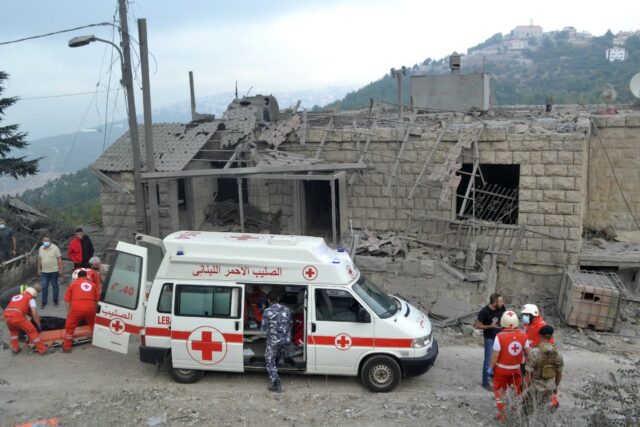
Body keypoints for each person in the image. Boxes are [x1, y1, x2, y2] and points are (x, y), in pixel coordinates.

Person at [490, 310, 529, 421]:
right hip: (516, 370)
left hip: (501, 370)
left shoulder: (499, 336)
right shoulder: (523, 335)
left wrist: (490, 368)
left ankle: (502, 415)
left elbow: (495, 355)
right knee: (516, 391)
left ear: (503, 322)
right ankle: (514, 411)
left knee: (500, 391)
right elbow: (528, 352)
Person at [3, 285, 54, 355]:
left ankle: (15, 349)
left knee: (14, 332)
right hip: (17, 317)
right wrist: (39, 326)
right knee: (32, 331)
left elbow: (24, 310)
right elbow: (34, 313)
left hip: (7, 316)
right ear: (34, 294)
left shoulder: (17, 296)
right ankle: (42, 350)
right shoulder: (30, 299)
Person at [524, 325, 563, 414]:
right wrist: (555, 386)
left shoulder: (534, 352)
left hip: (535, 387)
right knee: (544, 411)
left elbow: (528, 375)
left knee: (529, 411)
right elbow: (559, 373)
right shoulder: (558, 353)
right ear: (552, 336)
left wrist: (524, 390)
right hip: (550, 386)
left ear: (539, 336)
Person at [261, 290, 291, 393]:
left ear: (269, 300)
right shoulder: (287, 310)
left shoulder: (267, 311)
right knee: (278, 351)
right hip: (285, 340)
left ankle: (276, 383)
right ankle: (281, 357)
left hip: (274, 341)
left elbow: (264, 331)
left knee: (269, 360)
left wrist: (267, 336)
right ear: (278, 299)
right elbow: (290, 324)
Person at [63, 270, 100, 353]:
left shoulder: (73, 284)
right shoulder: (93, 285)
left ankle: (67, 347)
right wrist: (95, 310)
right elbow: (98, 299)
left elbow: (67, 300)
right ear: (86, 276)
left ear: (78, 277)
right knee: (94, 325)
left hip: (77, 309)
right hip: (90, 308)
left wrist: (69, 313)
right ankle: (96, 343)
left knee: (69, 327)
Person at [474, 292, 505, 391]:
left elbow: (505, 319)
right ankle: (485, 382)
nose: (503, 303)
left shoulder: (502, 308)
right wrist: (490, 326)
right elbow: (477, 325)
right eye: (500, 301)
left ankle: (492, 375)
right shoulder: (484, 311)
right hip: (489, 338)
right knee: (488, 360)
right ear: (495, 302)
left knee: (499, 359)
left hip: (500, 337)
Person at [38, 234, 64, 309]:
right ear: (42, 241)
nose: (46, 242)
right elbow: (39, 259)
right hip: (44, 272)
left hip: (54, 271)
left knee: (55, 286)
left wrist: (60, 269)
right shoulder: (41, 248)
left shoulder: (55, 248)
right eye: (44, 240)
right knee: (44, 287)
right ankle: (44, 302)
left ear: (50, 241)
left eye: (47, 240)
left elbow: (59, 259)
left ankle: (55, 301)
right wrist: (39, 269)